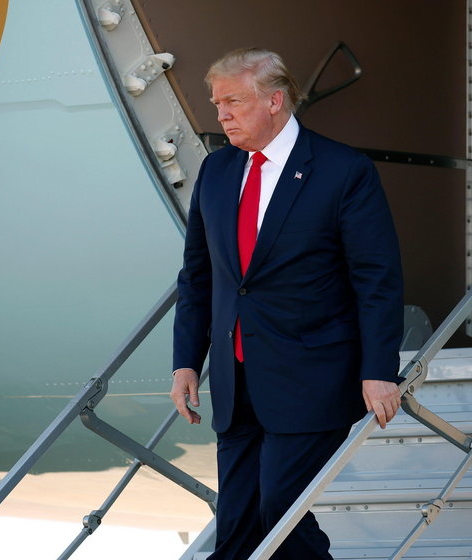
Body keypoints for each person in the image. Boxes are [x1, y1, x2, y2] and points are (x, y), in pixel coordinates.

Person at [170, 47, 404, 560]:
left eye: (233, 101)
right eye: (217, 104)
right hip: (236, 382)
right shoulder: (216, 172)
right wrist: (187, 360)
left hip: (312, 377)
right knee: (234, 527)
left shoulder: (343, 170)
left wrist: (380, 369)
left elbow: (377, 279)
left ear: (275, 101)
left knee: (280, 508)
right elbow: (199, 276)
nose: (222, 114)